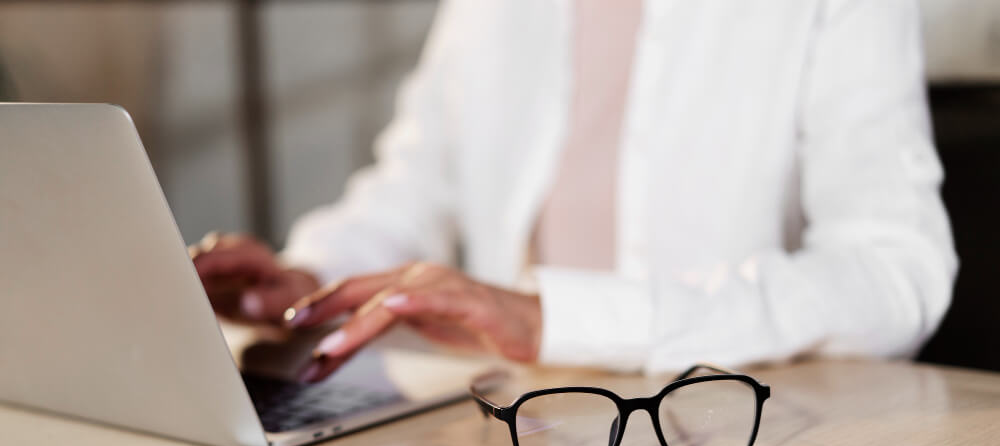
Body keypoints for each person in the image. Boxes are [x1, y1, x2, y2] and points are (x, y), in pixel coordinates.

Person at [192, 0, 957, 383]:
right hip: (513, 436)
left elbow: (896, 273)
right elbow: (414, 187)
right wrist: (313, 279)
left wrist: (550, 315)